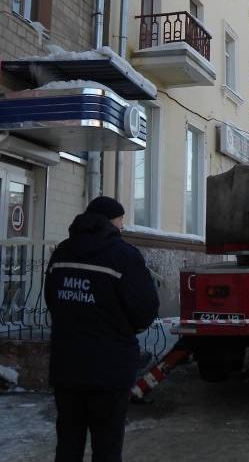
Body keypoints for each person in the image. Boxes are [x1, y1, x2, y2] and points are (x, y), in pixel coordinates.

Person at [45, 196, 159, 462]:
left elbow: (52, 300)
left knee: (68, 443)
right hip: (110, 369)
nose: (123, 226)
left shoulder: (62, 252)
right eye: (121, 220)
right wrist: (123, 329)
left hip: (67, 365)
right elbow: (145, 309)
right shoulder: (124, 256)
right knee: (107, 446)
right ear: (111, 221)